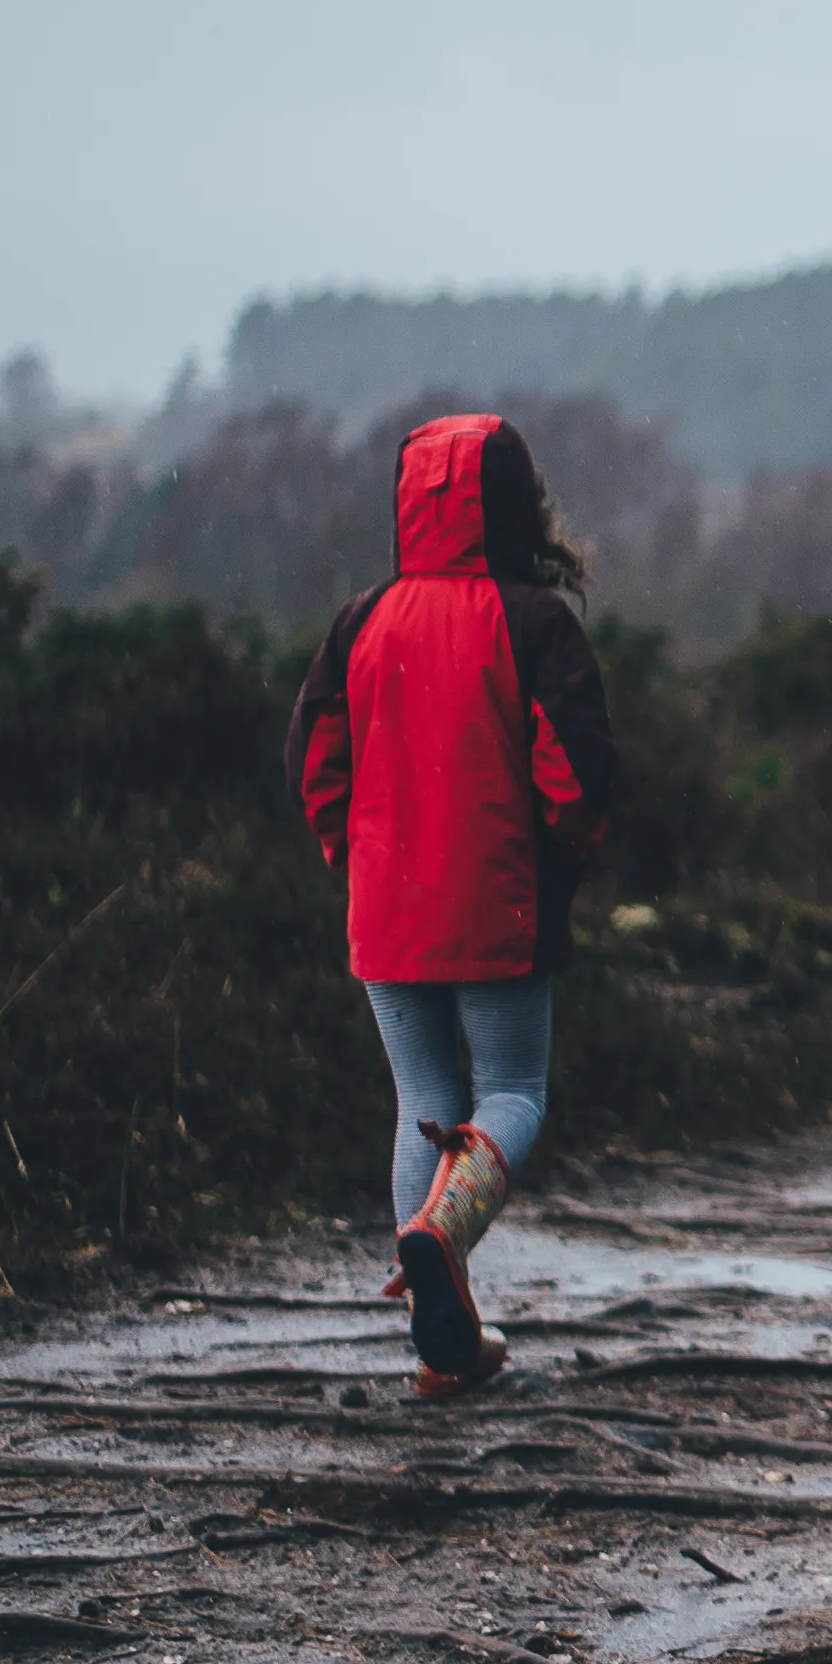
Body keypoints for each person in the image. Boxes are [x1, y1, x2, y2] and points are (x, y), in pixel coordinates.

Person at [280, 414, 619, 1396]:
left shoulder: (360, 618)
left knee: (421, 1103)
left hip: (385, 904)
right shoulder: (535, 621)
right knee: (512, 1095)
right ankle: (442, 1233)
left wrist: (353, 852)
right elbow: (577, 774)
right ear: (516, 505)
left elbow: (314, 757)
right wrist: (559, 862)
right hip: (497, 898)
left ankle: (444, 1347)